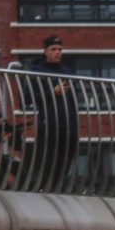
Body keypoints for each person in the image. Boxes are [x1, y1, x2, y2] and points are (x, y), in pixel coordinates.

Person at [24, 35, 80, 191]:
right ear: (45, 51)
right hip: (49, 123)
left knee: (65, 160)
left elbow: (73, 99)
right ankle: (45, 189)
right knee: (48, 159)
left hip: (68, 124)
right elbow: (28, 98)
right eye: (53, 49)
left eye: (60, 50)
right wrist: (52, 92)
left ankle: (58, 188)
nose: (57, 53)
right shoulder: (37, 71)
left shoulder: (67, 72)